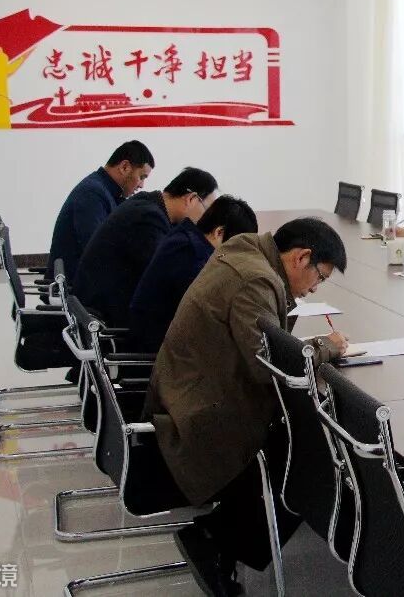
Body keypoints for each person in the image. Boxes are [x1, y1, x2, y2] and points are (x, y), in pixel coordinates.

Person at [144, 217, 348, 597]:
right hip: (197, 418)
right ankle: (216, 540)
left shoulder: (246, 252)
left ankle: (220, 538)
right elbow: (266, 365)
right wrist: (324, 347)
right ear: (301, 257)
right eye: (319, 277)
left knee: (301, 432)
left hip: (186, 394)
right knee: (310, 452)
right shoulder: (256, 280)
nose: (315, 288)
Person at [73, 167, 218, 326]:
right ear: (191, 199)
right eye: (208, 211)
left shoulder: (147, 206)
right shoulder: (148, 219)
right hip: (107, 318)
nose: (208, 220)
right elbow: (166, 278)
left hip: (99, 307)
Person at [127, 195, 258, 352]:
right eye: (236, 247)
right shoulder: (191, 255)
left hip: (158, 339)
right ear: (219, 232)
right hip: (159, 350)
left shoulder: (184, 238)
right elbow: (207, 312)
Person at [48, 140, 154, 283]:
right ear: (124, 167)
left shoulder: (106, 192)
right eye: (141, 177)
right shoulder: (92, 194)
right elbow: (97, 251)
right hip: (76, 289)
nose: (142, 185)